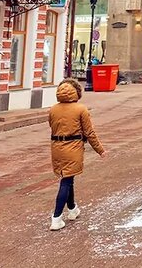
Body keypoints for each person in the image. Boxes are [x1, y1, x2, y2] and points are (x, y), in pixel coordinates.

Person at [48, 78, 106, 231]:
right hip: (73, 147)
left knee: (68, 177)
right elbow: (89, 132)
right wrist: (100, 149)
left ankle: (72, 208)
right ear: (77, 93)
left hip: (56, 147)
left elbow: (52, 126)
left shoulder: (53, 109)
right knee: (66, 182)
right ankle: (56, 217)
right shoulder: (81, 109)